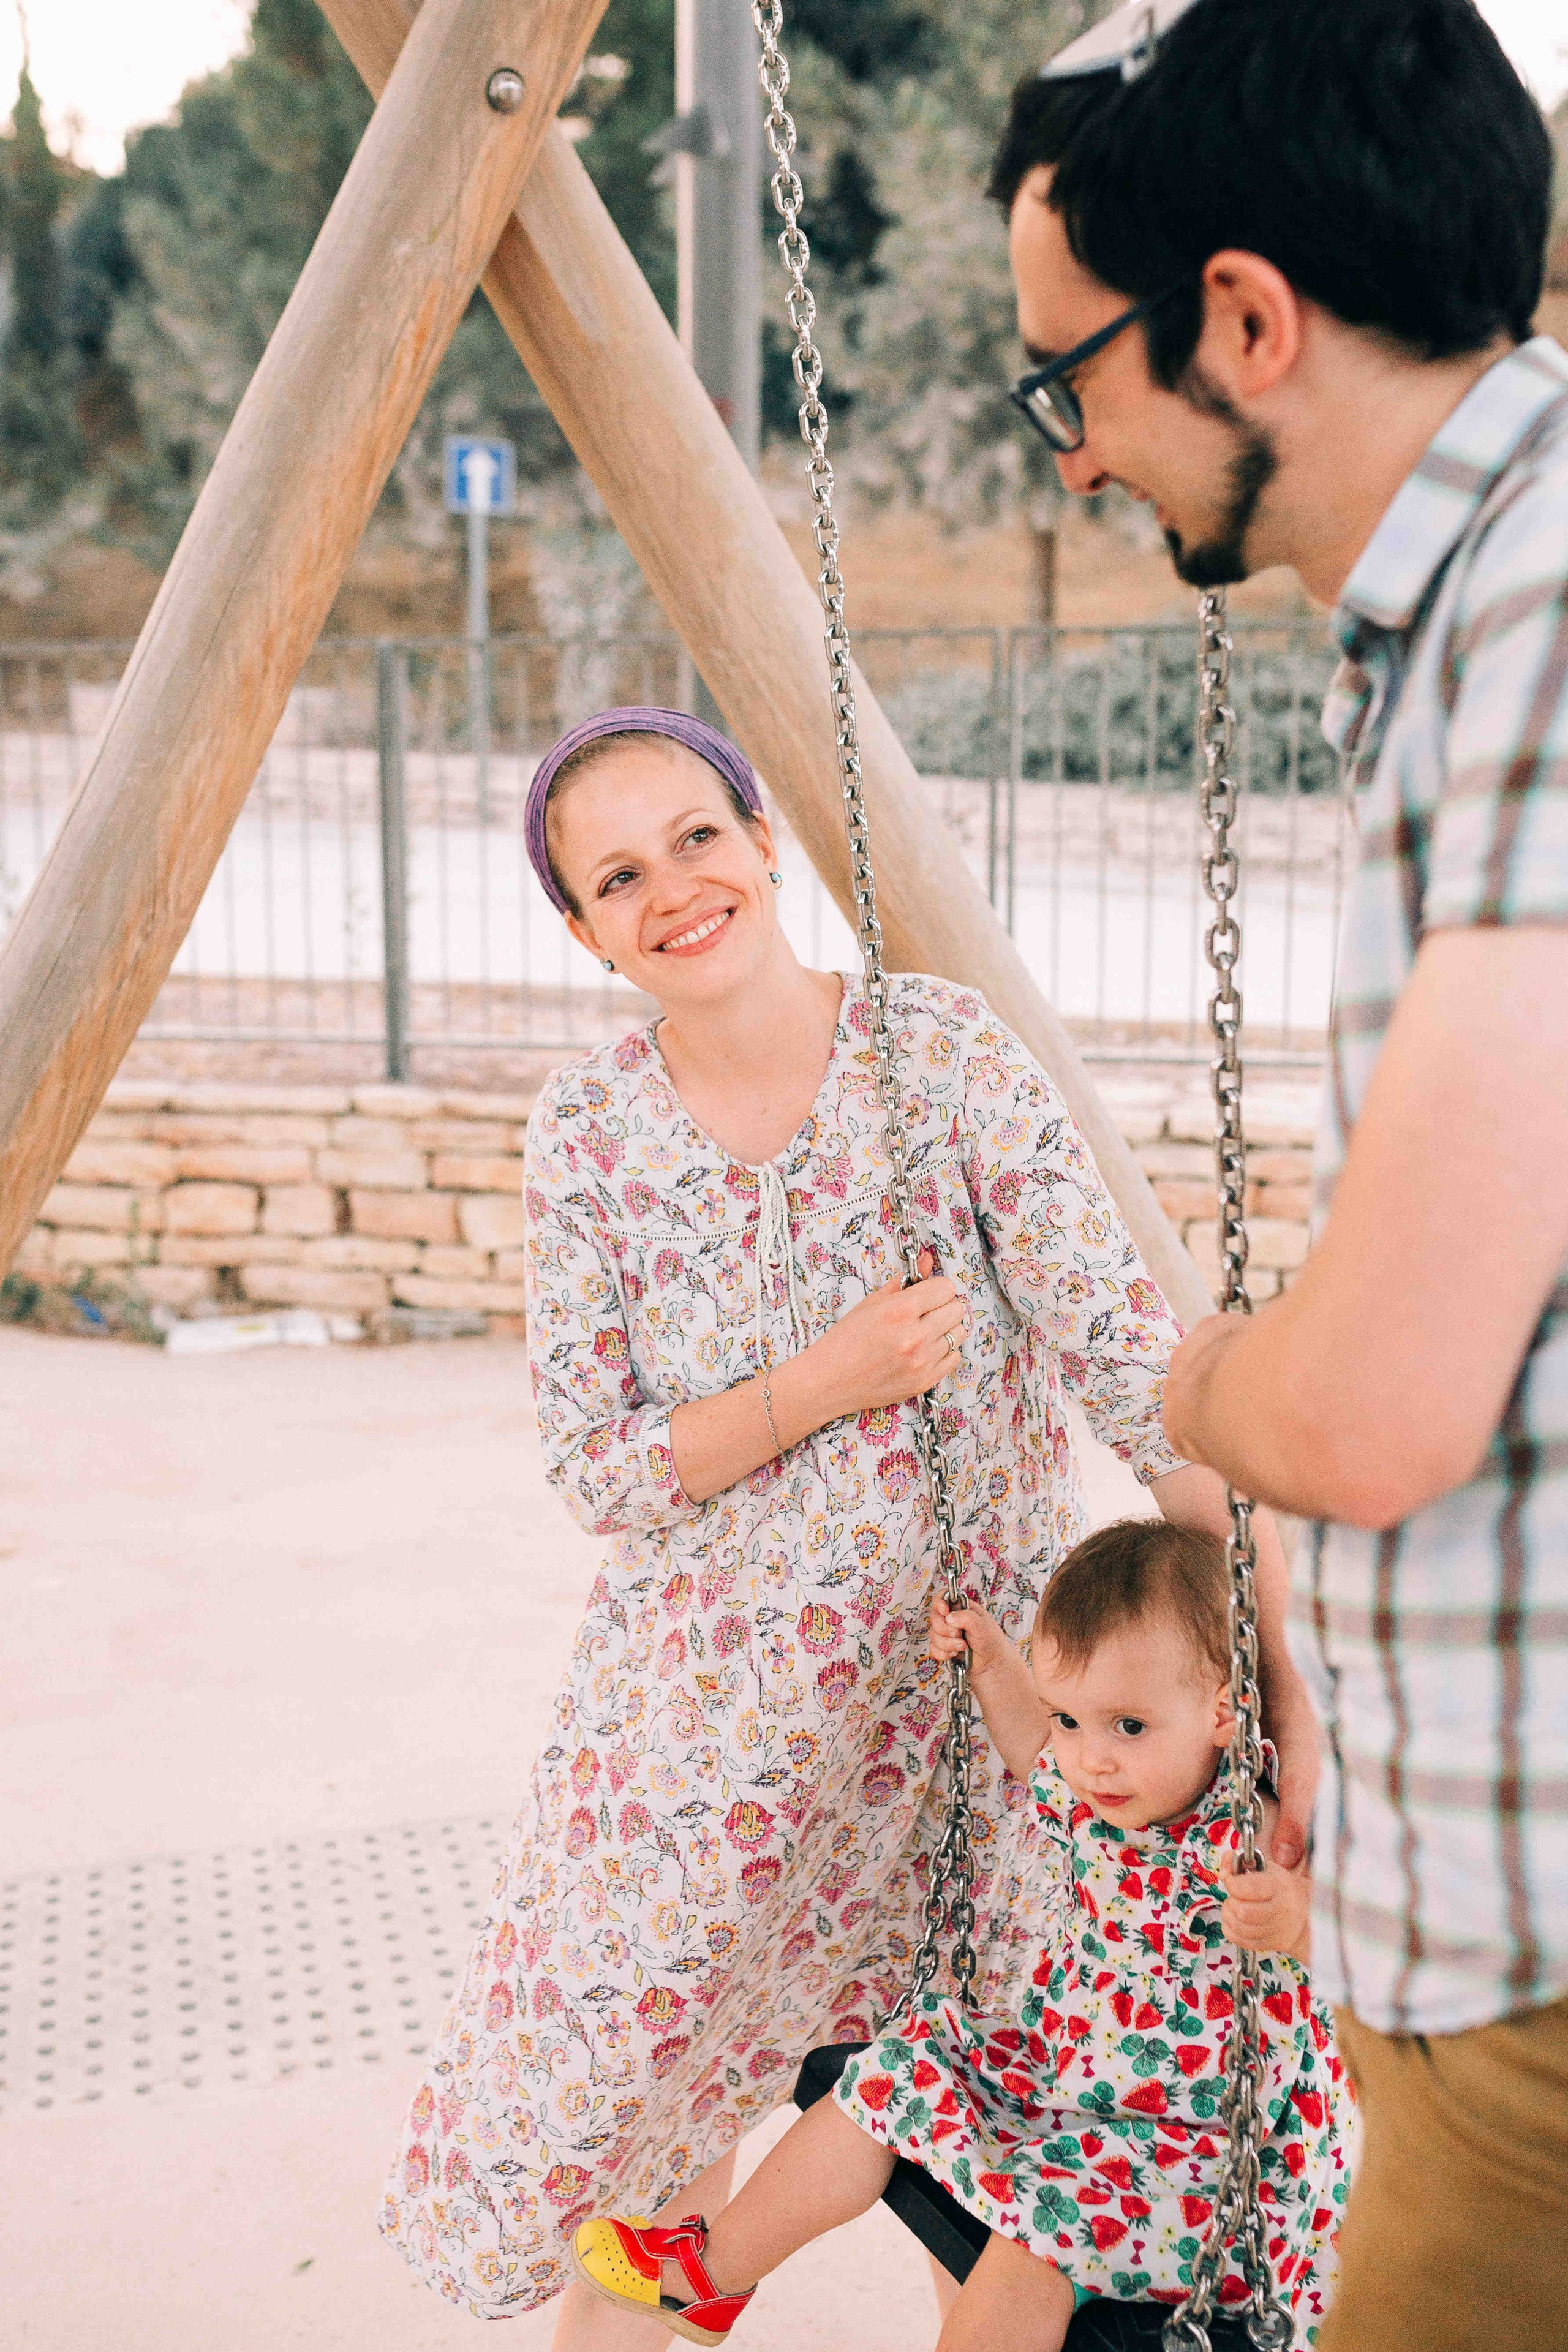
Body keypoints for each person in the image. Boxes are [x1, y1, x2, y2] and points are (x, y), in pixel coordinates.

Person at [377, 706, 1316, 2342]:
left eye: (695, 836)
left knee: (997, 2152)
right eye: (617, 877)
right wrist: (828, 1378)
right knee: (648, 2167)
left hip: (968, 1734)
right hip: (704, 1747)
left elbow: (1135, 1375)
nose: (672, 888)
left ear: (760, 838)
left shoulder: (938, 1058)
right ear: (587, 933)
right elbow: (598, 1466)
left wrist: (1284, 1674)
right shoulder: (590, 1133)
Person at [988, 1, 1568, 2344]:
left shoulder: (1545, 610)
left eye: (1068, 382)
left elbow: (1369, 1406)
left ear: (1242, 319)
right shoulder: (1466, 620)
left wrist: (1208, 1381)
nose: (1071, 459)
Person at [572, 1517, 1350, 2349]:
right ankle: (710, 2275)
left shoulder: (1251, 1833)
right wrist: (993, 1666)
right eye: (1071, 1719)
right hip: (1068, 2091)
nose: (1091, 1759)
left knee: (1036, 2241)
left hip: (1204, 2166)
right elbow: (1031, 1747)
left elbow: (1361, 1945)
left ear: (1225, 1714)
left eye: (1128, 1726)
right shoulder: (1102, 1798)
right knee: (892, 2073)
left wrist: (1295, 1920)